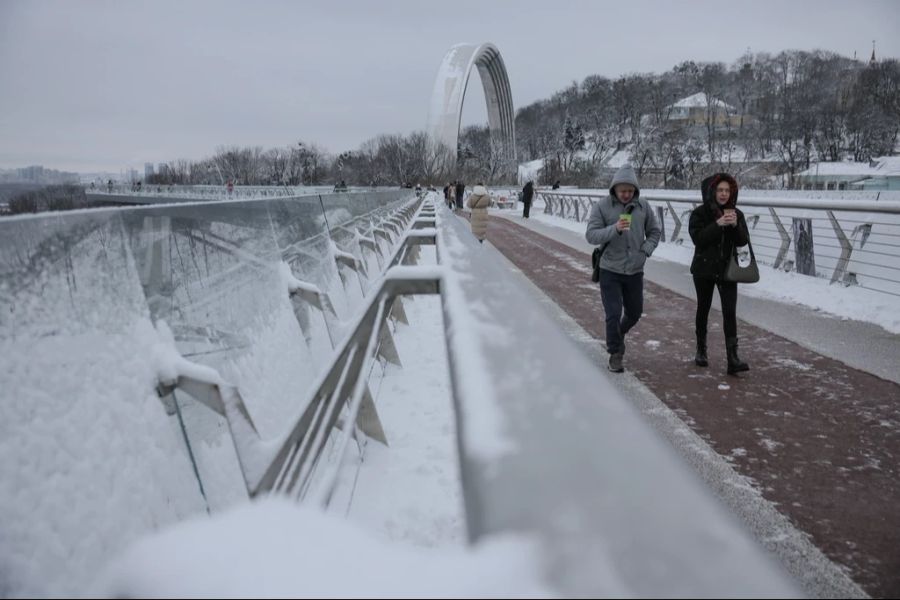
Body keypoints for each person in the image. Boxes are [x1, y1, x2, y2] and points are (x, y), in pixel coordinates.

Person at [585, 165, 661, 373]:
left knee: (635, 312)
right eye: (622, 191)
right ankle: (615, 353)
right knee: (613, 312)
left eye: (630, 190)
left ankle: (619, 334)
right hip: (610, 268)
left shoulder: (643, 207)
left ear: (635, 190)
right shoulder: (603, 206)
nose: (626, 195)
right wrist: (614, 229)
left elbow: (654, 232)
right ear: (614, 189)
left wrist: (646, 250)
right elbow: (591, 235)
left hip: (635, 269)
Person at [689, 173, 751, 375]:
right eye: (720, 190)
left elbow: (743, 242)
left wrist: (735, 226)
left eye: (727, 190)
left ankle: (733, 358)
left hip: (727, 270)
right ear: (713, 191)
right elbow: (698, 239)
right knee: (703, 308)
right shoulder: (700, 213)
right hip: (704, 269)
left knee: (729, 312)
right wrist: (718, 224)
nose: (724, 194)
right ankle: (701, 350)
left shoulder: (737, 214)